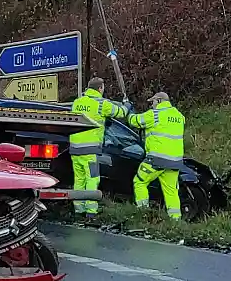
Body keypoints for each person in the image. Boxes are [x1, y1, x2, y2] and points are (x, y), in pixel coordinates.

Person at [68, 77, 129, 217]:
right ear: (100, 88)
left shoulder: (77, 102)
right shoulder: (101, 104)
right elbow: (120, 112)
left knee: (79, 179)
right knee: (92, 178)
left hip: (75, 148)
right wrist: (127, 105)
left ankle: (79, 209)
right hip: (90, 149)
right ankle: (91, 211)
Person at [126, 91, 186, 220]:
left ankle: (143, 213)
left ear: (159, 101)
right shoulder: (180, 116)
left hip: (156, 160)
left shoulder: (155, 114)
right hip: (175, 161)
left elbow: (134, 121)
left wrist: (128, 109)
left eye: (153, 102)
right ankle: (175, 220)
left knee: (139, 182)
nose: (151, 105)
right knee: (171, 191)